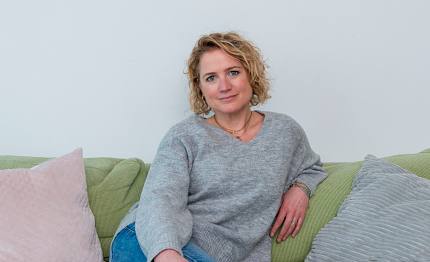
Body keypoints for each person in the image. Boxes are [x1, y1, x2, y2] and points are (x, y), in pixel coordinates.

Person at [110, 32, 327, 262]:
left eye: (233, 72)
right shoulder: (183, 136)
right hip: (151, 242)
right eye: (211, 78)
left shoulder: (285, 131)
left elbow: (312, 167)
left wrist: (301, 188)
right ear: (200, 87)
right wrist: (167, 255)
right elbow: (160, 199)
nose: (224, 86)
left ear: (250, 75)